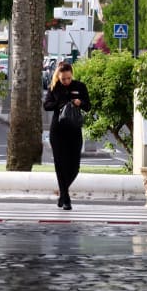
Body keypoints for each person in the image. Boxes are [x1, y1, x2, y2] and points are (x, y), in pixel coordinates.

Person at [42, 61, 91, 210]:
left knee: (75, 167)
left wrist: (79, 102)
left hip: (74, 130)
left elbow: (88, 106)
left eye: (68, 78)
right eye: (63, 79)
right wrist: (59, 103)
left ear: (72, 75)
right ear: (58, 76)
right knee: (60, 165)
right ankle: (66, 199)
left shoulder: (80, 86)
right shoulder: (54, 87)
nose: (66, 81)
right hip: (58, 131)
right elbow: (46, 105)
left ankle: (62, 195)